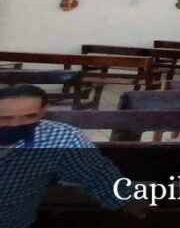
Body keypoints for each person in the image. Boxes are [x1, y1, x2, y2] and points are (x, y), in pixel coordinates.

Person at [0, 85, 147, 228]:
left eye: (29, 116)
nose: (15, 124)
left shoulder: (59, 138)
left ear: (42, 111)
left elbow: (95, 173)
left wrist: (126, 200)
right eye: (4, 118)